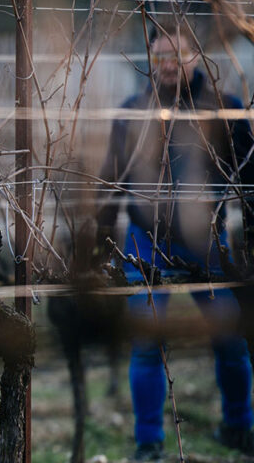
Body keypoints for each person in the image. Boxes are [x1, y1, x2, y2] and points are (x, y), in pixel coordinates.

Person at [96, 23, 254, 461]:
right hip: (145, 243)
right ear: (149, 61)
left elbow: (249, 179)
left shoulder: (226, 110)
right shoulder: (132, 114)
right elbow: (110, 187)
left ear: (196, 56)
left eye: (177, 54)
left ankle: (239, 427)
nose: (168, 65)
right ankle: (149, 443)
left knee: (231, 338)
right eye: (159, 57)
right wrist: (99, 249)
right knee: (146, 344)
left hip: (210, 242)